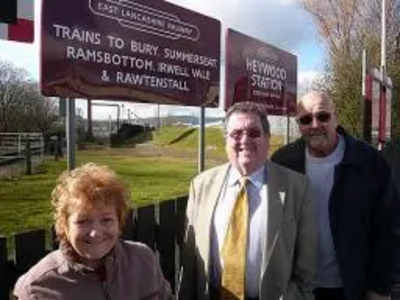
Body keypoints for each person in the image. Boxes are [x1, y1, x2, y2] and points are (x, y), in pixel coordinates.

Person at [178, 101, 316, 300]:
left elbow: (306, 269)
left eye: (254, 133)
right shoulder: (201, 186)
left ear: (267, 139)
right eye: (236, 133)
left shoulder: (297, 188)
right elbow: (190, 259)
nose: (244, 140)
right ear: (226, 139)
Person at [271, 90, 400, 300]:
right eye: (305, 119)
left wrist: (380, 287)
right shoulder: (283, 161)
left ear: (335, 117)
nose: (314, 125)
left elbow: (390, 228)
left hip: (353, 287)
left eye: (322, 116)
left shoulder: (369, 162)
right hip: (299, 289)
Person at [13, 163, 172, 300]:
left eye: (106, 220)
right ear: (64, 226)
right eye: (82, 221)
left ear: (119, 222)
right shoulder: (37, 286)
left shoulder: (144, 260)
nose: (95, 232)